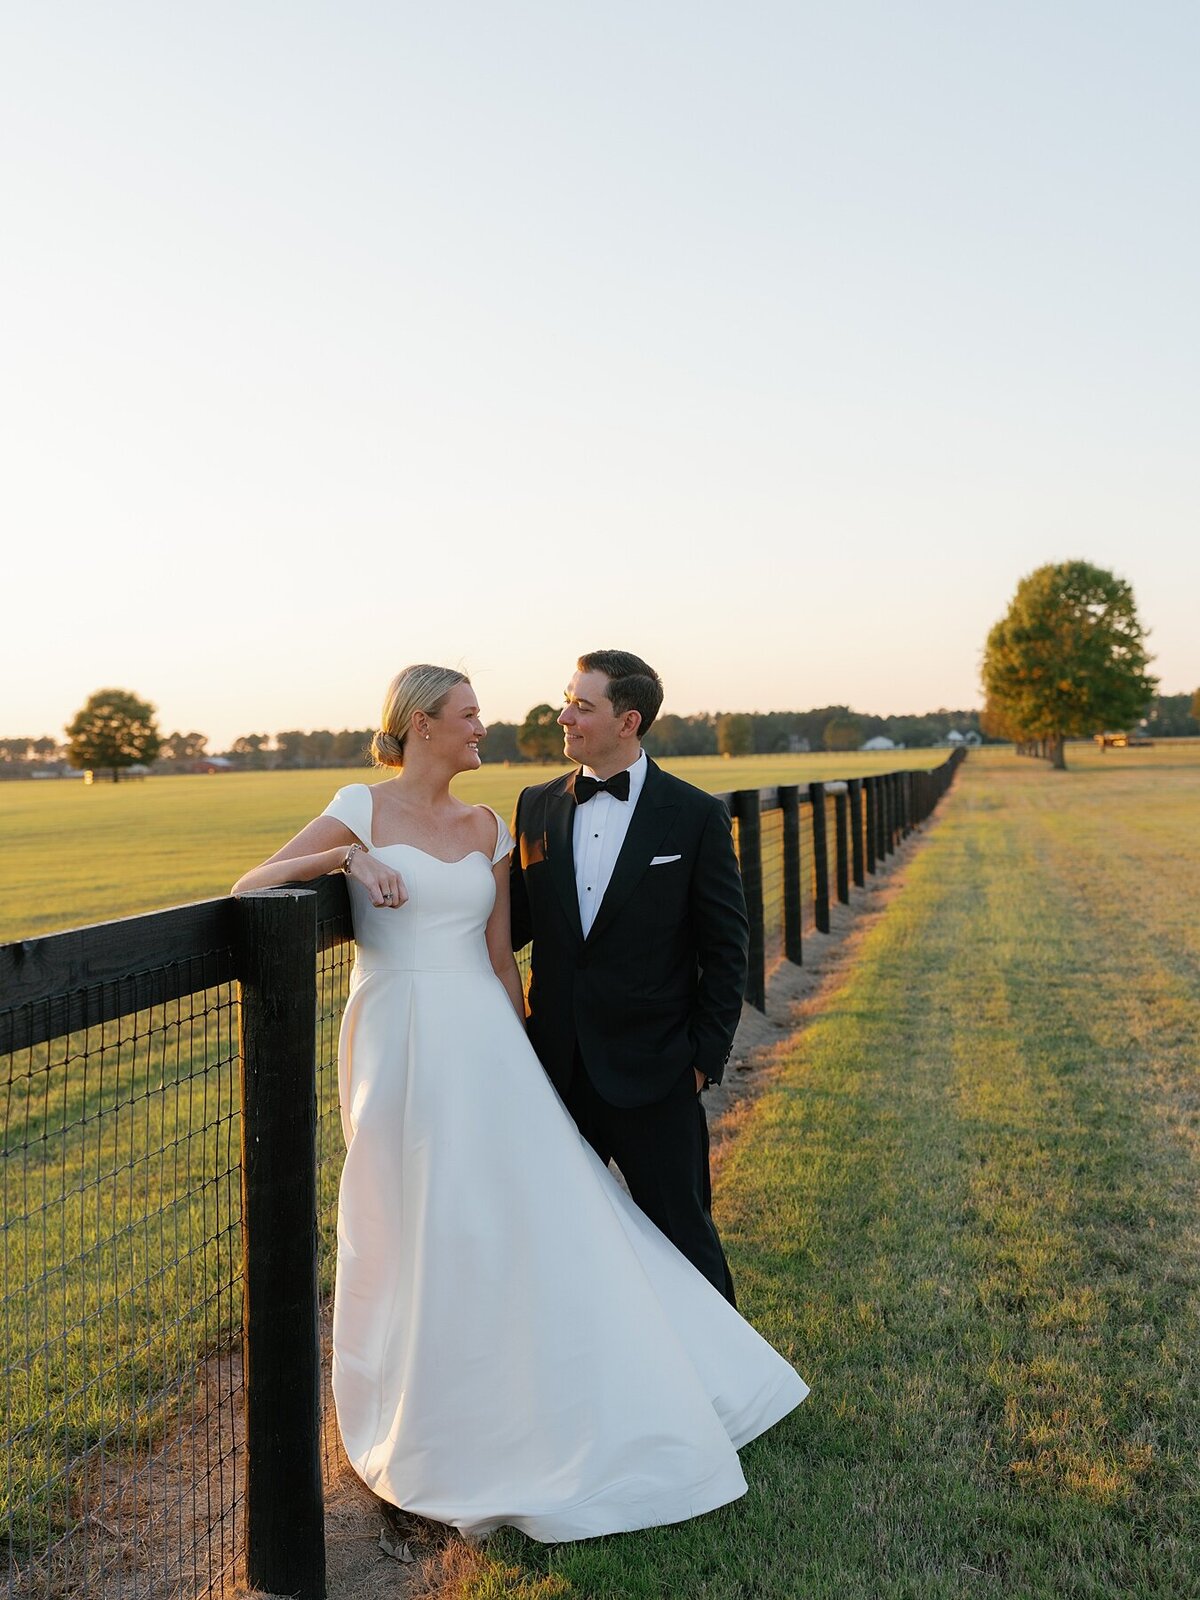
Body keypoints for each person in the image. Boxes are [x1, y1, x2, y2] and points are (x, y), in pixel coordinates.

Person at [232, 664, 806, 1545]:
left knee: (575, 1221)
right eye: (469, 715)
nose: (486, 727)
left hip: (503, 1048)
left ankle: (676, 1383)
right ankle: (441, 1402)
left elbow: (505, 960)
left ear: (628, 719)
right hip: (400, 1045)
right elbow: (251, 885)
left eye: (579, 704)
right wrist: (348, 857)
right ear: (421, 723)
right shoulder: (372, 808)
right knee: (418, 1222)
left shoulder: (497, 826)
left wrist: (544, 1065)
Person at [509, 649, 747, 1302]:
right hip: (555, 1073)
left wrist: (702, 1059)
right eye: (567, 701)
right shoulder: (535, 806)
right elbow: (512, 928)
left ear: (628, 721)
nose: (564, 717)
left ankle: (718, 1367)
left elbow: (726, 949)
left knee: (685, 1243)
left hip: (657, 1073)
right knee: (556, 1245)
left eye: (581, 706)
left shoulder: (693, 814)